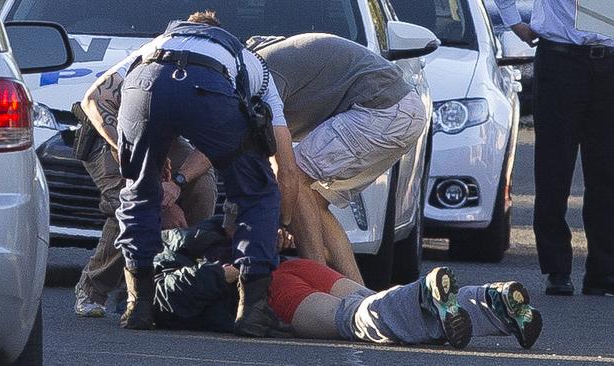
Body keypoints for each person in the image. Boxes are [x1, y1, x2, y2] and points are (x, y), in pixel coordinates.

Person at [112, 11, 297, 334]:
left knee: (140, 191)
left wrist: (153, 158)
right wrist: (281, 223)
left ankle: (138, 305)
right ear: (219, 33)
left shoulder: (154, 44)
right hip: (207, 87)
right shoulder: (249, 61)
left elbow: (111, 97)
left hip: (142, 84)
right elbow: (285, 163)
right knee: (256, 192)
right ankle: (252, 311)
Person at [152, 212, 543, 349]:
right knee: (369, 303)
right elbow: (168, 298)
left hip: (277, 282)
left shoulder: (199, 232)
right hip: (272, 280)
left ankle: (426, 295)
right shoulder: (163, 250)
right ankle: (489, 303)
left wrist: (271, 237)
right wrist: (228, 270)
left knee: (352, 316)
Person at [248, 34, 427, 285]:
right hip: (400, 110)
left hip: (382, 109)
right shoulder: (263, 62)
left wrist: (283, 221)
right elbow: (264, 161)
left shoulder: (258, 76)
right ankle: (358, 297)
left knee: (297, 178)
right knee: (313, 200)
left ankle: (318, 286)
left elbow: (285, 173)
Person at [73, 55, 217, 317]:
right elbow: (93, 100)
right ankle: (93, 289)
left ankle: (181, 276)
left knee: (203, 187)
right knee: (133, 199)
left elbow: (212, 144)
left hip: (163, 138)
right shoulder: (151, 58)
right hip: (113, 136)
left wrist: (178, 183)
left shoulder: (216, 77)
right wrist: (158, 192)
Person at [494, 1, 614, 296]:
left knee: (606, 172)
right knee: (553, 169)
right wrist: (514, 22)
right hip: (561, 60)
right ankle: (557, 268)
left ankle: (603, 270)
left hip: (609, 64)